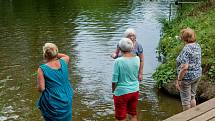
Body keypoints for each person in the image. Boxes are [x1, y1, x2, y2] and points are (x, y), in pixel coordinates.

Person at [36, 43, 73, 121]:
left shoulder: (42, 69)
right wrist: (54, 53)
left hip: (53, 99)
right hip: (66, 95)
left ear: (45, 54)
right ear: (56, 52)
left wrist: (48, 53)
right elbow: (66, 56)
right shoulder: (64, 61)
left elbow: (41, 89)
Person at [112, 38, 140, 121]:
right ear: (131, 48)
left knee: (121, 118)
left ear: (120, 49)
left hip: (121, 92)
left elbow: (114, 80)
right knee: (133, 114)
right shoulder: (137, 58)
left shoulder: (118, 61)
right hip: (135, 90)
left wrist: (113, 91)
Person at [175, 28, 202, 111]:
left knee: (186, 101)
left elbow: (185, 67)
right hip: (197, 75)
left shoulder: (186, 49)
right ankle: (194, 116)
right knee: (192, 97)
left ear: (184, 38)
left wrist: (179, 80)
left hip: (187, 78)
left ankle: (187, 118)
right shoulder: (197, 45)